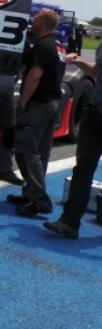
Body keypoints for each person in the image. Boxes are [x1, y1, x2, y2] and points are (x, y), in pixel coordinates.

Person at [7, 8, 65, 217]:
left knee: (26, 149)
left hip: (38, 104)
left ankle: (39, 199)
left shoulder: (42, 46)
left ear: (41, 23)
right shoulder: (59, 46)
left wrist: (22, 103)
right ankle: (31, 193)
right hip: (53, 103)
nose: (33, 19)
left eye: (36, 17)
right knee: (41, 151)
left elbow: (34, 76)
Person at [43, 44, 102, 239]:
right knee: (83, 169)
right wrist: (81, 63)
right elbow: (97, 69)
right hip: (94, 114)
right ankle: (69, 222)